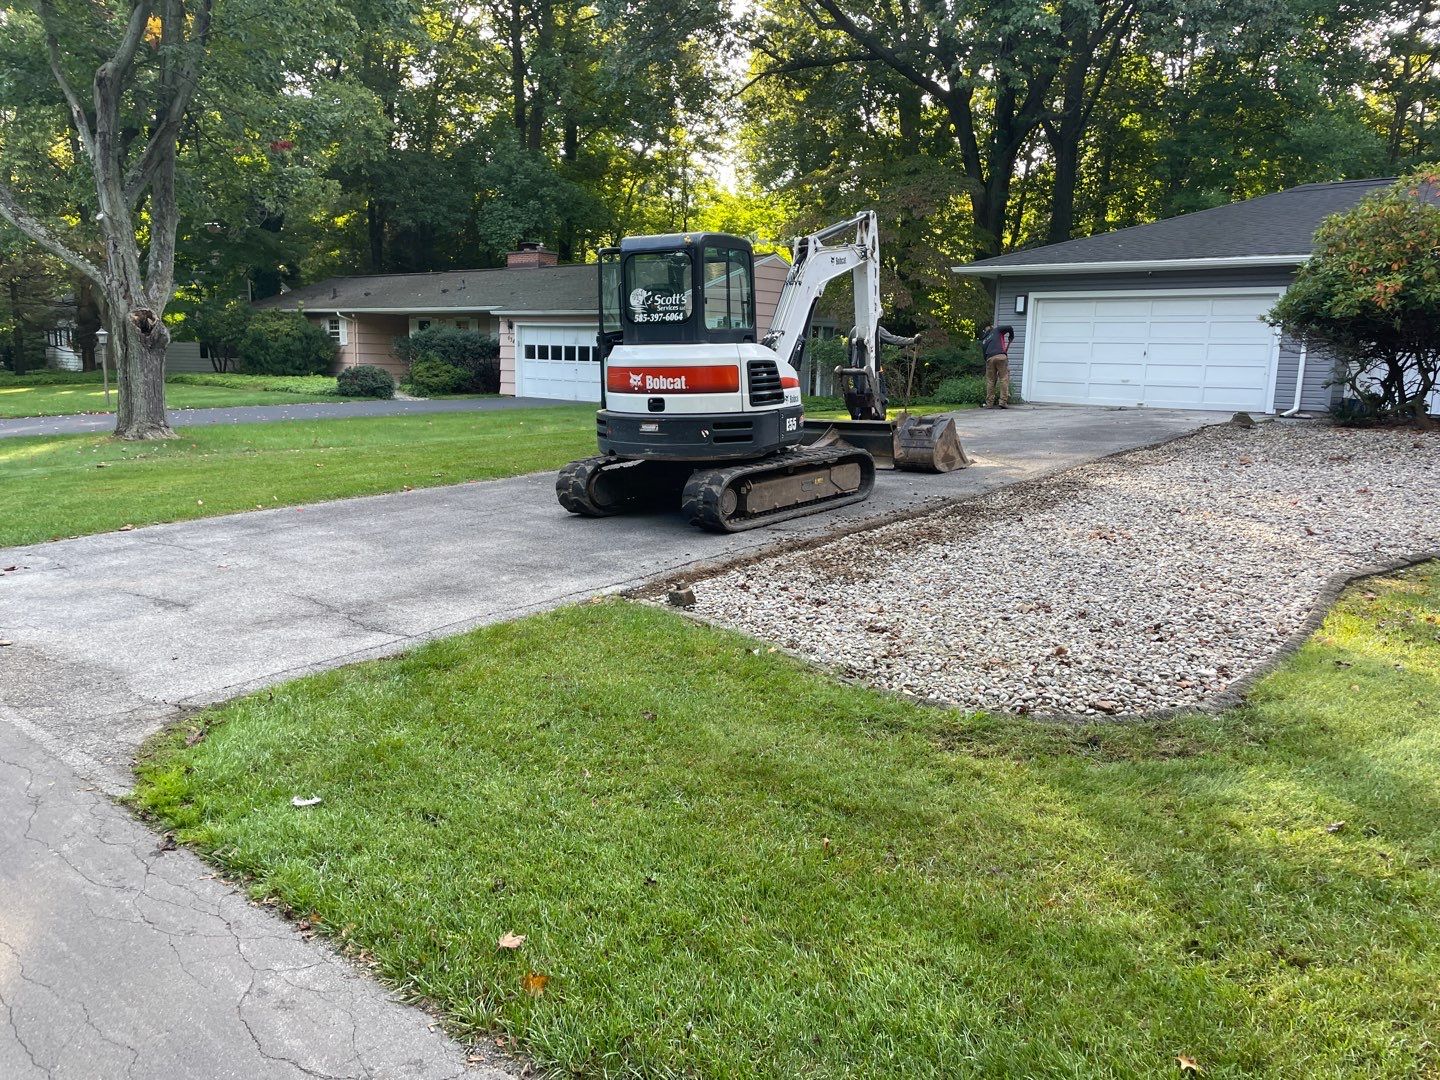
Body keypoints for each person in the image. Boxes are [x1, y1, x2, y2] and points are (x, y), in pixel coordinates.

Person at [979, 323, 1014, 408]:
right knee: (1004, 379)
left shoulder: (984, 341)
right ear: (991, 328)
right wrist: (1011, 336)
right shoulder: (997, 330)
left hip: (989, 359)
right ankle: (1003, 402)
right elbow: (1009, 327)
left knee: (990, 381)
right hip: (1001, 356)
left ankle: (989, 403)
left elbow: (984, 355)